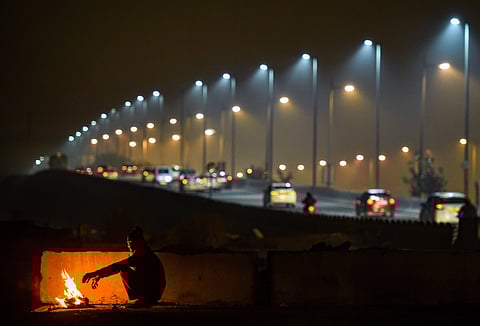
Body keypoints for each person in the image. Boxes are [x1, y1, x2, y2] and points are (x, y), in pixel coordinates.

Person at [82, 226, 166, 305]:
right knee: (124, 268)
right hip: (152, 293)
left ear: (139, 243)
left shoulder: (143, 255)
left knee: (123, 269)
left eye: (131, 243)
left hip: (152, 294)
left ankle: (140, 300)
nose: (129, 246)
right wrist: (99, 275)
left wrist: (94, 274)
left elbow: (116, 266)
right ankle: (139, 299)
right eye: (128, 243)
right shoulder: (144, 253)